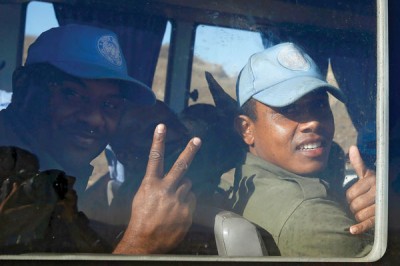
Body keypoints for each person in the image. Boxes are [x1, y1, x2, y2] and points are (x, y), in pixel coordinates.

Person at [0, 24, 201, 254]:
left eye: (110, 105)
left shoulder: (51, 180)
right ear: (23, 84)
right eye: (72, 94)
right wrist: (142, 242)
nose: (94, 118)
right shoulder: (12, 181)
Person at [231, 42, 376, 257]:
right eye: (290, 109)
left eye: (319, 105)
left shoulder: (237, 174)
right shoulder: (310, 216)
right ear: (246, 129)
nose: (313, 122)